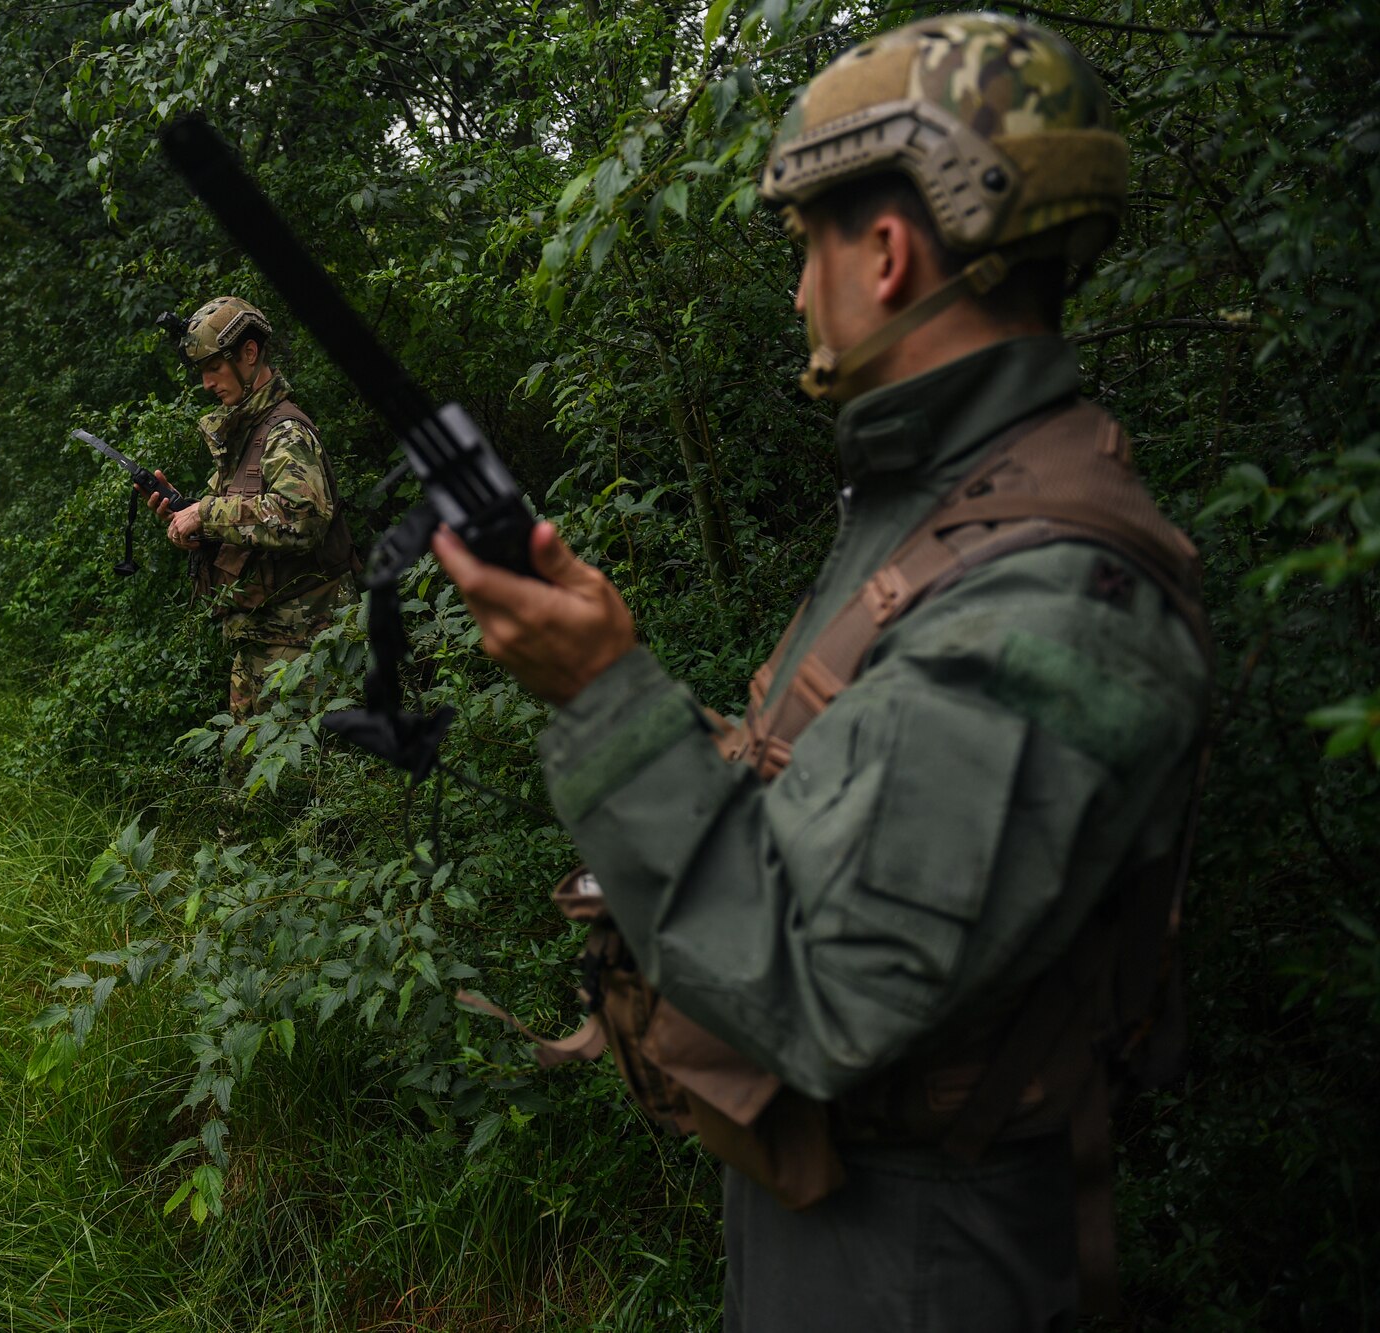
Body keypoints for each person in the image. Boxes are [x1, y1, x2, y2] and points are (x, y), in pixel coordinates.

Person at [433, 14, 1210, 1331]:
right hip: (854, 1218)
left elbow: (831, 992)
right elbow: (820, 825)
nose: (801, 290)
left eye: (808, 248)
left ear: (891, 254)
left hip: (923, 1259)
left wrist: (606, 703)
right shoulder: (952, 511)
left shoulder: (1057, 597)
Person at [148, 296, 356, 723]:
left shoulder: (285, 432)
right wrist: (187, 517)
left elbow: (303, 518)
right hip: (263, 639)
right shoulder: (245, 436)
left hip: (306, 644)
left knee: (303, 778)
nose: (207, 383)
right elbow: (236, 519)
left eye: (214, 368)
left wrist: (205, 514)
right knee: (247, 779)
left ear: (248, 353)